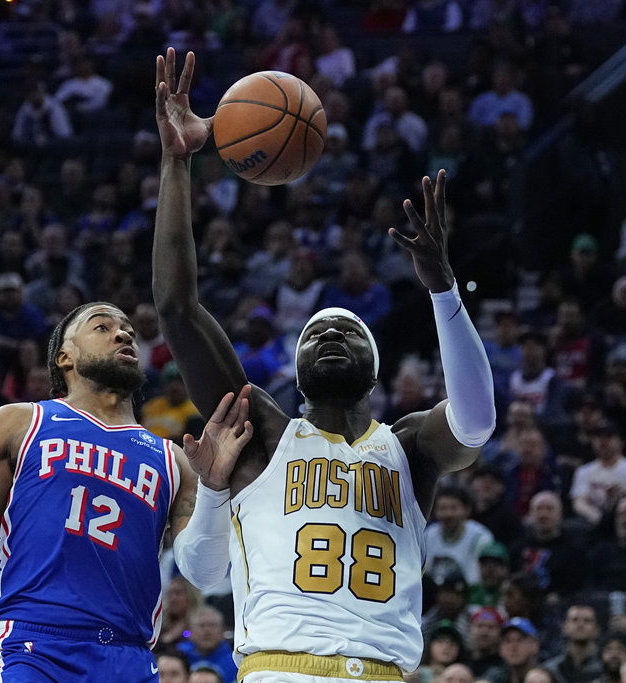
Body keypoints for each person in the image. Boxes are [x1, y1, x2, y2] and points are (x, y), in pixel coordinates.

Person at [153, 47, 495, 682]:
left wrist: (444, 289)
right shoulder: (259, 429)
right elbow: (176, 308)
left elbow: (475, 422)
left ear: (375, 368)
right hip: (280, 667)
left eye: (348, 331)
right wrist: (177, 163)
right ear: (297, 371)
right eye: (316, 334)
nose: (331, 334)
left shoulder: (411, 446)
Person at [0, 298, 254, 682]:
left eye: (128, 330)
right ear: (65, 357)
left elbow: (204, 572)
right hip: (32, 648)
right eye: (103, 326)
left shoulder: (174, 458)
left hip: (128, 656)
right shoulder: (19, 424)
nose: (123, 334)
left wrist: (214, 489)